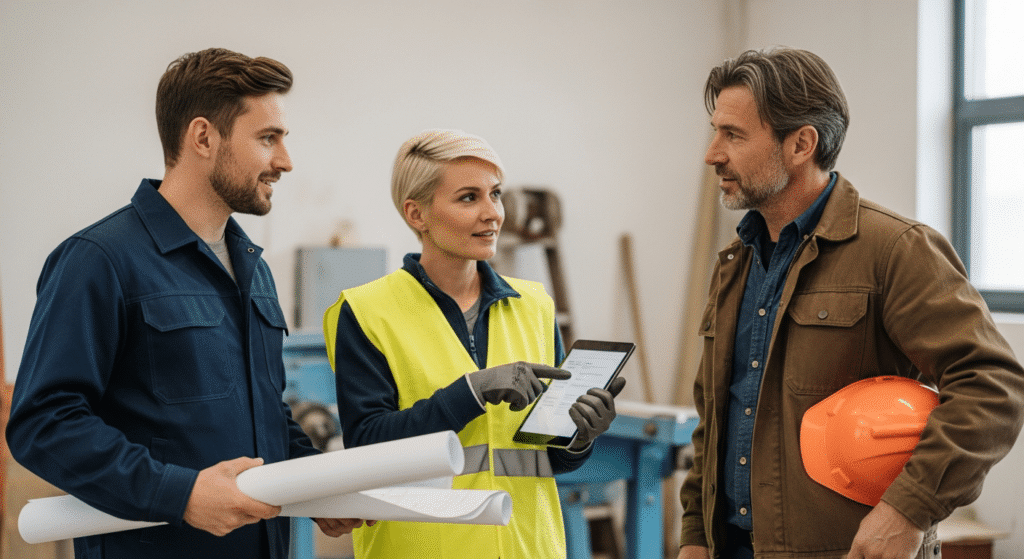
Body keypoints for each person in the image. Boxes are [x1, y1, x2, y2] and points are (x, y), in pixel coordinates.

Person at [6, 48, 364, 559]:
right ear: (203, 137)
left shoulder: (252, 268)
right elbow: (44, 424)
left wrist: (314, 484)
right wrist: (182, 494)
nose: (284, 161)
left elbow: (263, 412)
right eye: (268, 138)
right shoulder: (100, 261)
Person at [677, 47, 1024, 559]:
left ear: (801, 144)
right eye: (715, 131)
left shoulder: (895, 249)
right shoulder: (736, 264)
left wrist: (908, 511)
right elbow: (718, 414)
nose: (712, 153)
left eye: (733, 134)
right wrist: (696, 534)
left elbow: (992, 386)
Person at [323, 129, 626, 558]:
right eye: (469, 198)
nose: (493, 214)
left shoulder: (534, 305)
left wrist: (579, 437)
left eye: (496, 194)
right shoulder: (367, 312)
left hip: (529, 548)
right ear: (417, 214)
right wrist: (471, 392)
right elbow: (369, 447)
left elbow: (542, 460)